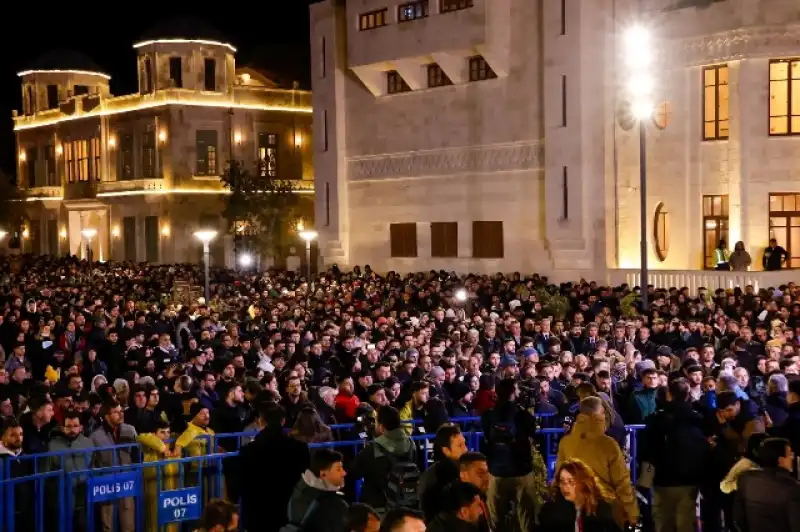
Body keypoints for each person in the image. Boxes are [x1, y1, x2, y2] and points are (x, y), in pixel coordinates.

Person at [638, 378, 709, 532]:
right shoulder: (697, 419)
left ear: (669, 394)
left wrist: (647, 472)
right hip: (690, 480)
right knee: (686, 522)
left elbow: (647, 449)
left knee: (663, 522)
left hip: (663, 480)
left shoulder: (657, 419)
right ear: (688, 394)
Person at [556, 397, 638, 527]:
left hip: (575, 508)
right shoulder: (608, 445)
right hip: (604, 510)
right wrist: (632, 514)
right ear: (598, 414)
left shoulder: (565, 443)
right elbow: (622, 483)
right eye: (603, 413)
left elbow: (559, 477)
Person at [239, 402, 310, 532]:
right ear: (283, 421)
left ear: (261, 422)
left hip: (258, 516)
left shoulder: (248, 451)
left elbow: (240, 484)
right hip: (289, 513)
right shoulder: (299, 449)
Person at [480, 379, 539, 532]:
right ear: (513, 392)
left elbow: (487, 437)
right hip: (522, 472)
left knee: (495, 520)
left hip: (496, 472)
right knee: (526, 518)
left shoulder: (488, 416)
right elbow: (533, 434)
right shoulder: (523, 415)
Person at [348, 406, 417, 511]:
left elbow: (354, 472)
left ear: (381, 427)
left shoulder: (373, 449)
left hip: (378, 507)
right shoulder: (411, 444)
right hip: (406, 503)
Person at [733, 437, 800, 532]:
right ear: (780, 460)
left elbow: (738, 518)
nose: (792, 458)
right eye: (789, 455)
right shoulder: (792, 488)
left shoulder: (745, 479)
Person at [90, 400, 137, 532]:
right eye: (116, 412)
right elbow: (93, 463)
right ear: (106, 415)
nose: (121, 414)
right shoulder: (95, 436)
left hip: (127, 481)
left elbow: (136, 455)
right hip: (106, 483)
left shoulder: (130, 430)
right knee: (107, 524)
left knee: (128, 524)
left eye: (121, 411)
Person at [539, 459, 621, 532]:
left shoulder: (601, 509)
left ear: (583, 483)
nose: (565, 486)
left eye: (570, 481)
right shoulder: (550, 512)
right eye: (562, 481)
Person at [46, 410, 94, 532]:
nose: (72, 429)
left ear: (81, 427)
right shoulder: (53, 444)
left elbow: (93, 466)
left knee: (83, 526)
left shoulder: (88, 442)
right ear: (62, 428)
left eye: (75, 426)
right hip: (61, 496)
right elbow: (48, 470)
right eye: (68, 426)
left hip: (84, 494)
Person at [285, 448, 349, 532]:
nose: (344, 473)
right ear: (323, 474)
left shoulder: (301, 490)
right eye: (338, 469)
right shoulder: (330, 504)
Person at [418, 423, 468, 521]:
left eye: (464, 444)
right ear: (446, 450)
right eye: (460, 446)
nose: (465, 449)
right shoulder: (443, 477)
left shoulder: (435, 470)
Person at [139, 419, 180, 532]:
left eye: (168, 432)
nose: (166, 435)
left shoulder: (175, 450)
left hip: (172, 495)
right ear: (154, 434)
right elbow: (141, 436)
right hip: (155, 494)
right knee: (155, 519)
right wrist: (162, 447)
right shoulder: (149, 449)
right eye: (162, 432)